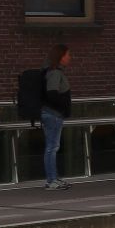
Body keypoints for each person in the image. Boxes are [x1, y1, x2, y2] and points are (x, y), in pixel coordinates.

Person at [41, 44, 72, 190]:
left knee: (52, 147)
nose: (69, 57)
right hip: (53, 115)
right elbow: (52, 93)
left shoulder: (53, 71)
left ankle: (53, 178)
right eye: (67, 55)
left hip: (52, 114)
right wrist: (62, 107)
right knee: (52, 147)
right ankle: (51, 180)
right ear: (60, 56)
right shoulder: (55, 73)